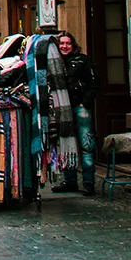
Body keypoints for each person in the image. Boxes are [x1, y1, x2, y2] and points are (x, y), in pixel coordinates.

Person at [54, 31, 97, 195]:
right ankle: (69, 181)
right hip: (62, 108)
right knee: (66, 144)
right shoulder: (54, 62)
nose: (65, 46)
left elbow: (94, 82)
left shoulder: (82, 60)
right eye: (62, 43)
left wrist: (85, 102)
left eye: (68, 43)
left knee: (86, 144)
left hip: (79, 107)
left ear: (73, 45)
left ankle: (88, 182)